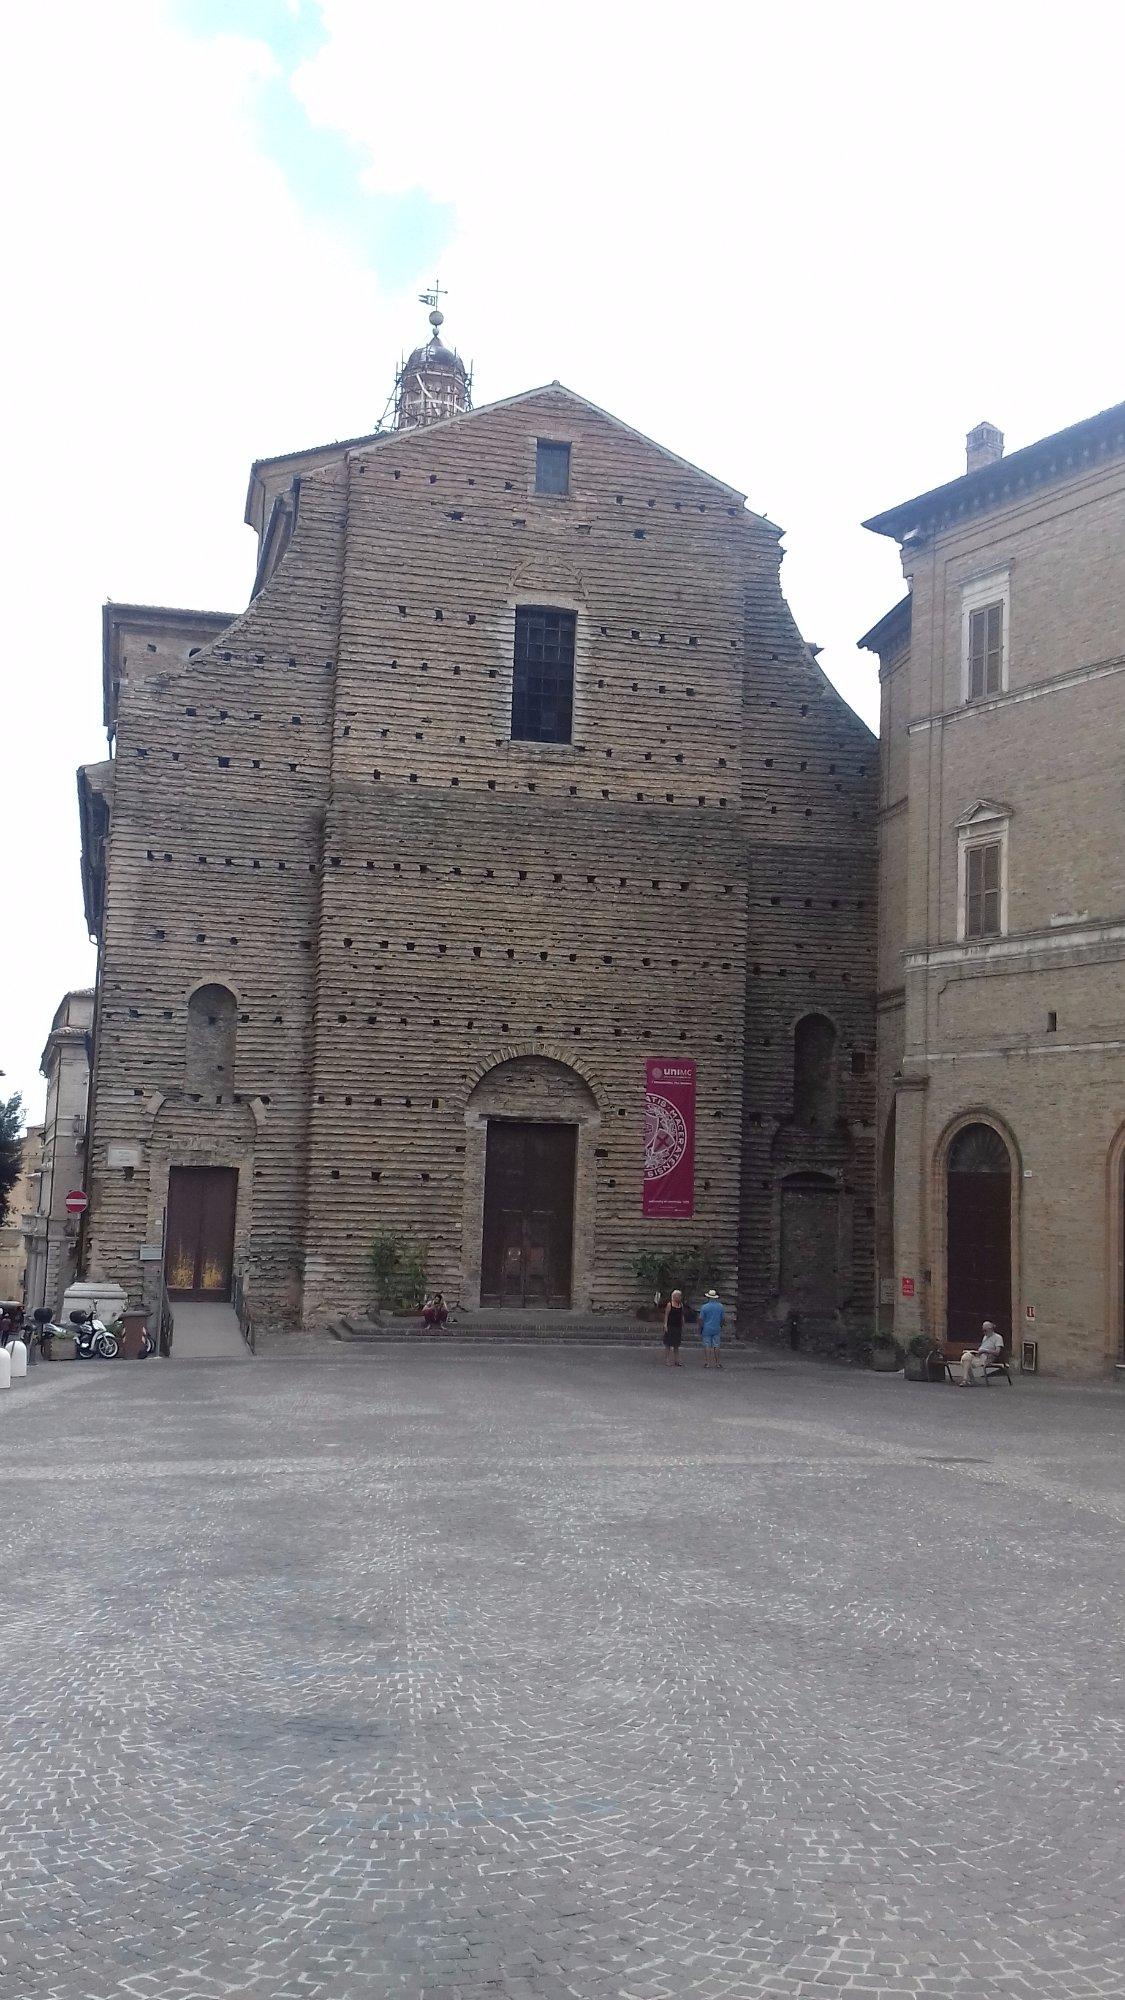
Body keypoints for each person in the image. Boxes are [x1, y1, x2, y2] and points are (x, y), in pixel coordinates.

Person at [955, 1319, 1003, 1385]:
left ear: (990, 1329)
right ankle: (965, 1379)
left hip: (987, 1358)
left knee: (965, 1360)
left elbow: (997, 1352)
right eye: (983, 1330)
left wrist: (985, 1351)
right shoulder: (985, 1337)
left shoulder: (998, 1337)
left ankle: (967, 1380)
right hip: (979, 1356)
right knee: (965, 1356)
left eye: (985, 1330)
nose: (984, 1332)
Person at [696, 1288, 725, 1368]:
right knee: (716, 1345)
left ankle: (708, 1362)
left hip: (706, 1328)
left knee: (707, 1345)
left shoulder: (704, 1307)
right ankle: (718, 1363)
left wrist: (700, 1328)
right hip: (716, 1328)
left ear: (708, 1297)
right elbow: (722, 1319)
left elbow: (701, 1319)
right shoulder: (720, 1306)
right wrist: (720, 1326)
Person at [663, 1289, 685, 1367]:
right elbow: (666, 1315)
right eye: (678, 1296)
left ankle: (677, 1360)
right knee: (668, 1344)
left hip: (677, 1326)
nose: (679, 1297)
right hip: (670, 1326)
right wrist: (665, 1325)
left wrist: (683, 1323)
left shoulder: (681, 1305)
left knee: (676, 1345)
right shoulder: (670, 1304)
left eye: (680, 1296)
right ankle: (667, 1360)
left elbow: (682, 1315)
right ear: (674, 1296)